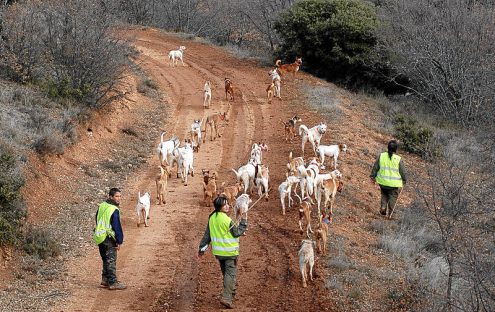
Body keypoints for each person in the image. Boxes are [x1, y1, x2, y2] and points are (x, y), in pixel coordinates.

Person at [198, 196, 247, 309]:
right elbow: (237, 232)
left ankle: (232, 291)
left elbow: (207, 236)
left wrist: (201, 250)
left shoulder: (212, 218)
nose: (228, 206)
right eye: (225, 204)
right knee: (230, 274)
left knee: (227, 274)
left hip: (219, 253)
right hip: (229, 252)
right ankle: (226, 298)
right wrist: (243, 221)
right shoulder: (227, 220)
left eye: (228, 204)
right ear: (220, 206)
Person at [93, 188, 126, 290]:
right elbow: (117, 227)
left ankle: (105, 280)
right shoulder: (113, 209)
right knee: (111, 259)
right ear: (110, 197)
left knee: (105, 259)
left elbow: (97, 217)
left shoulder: (102, 205)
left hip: (99, 236)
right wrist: (119, 241)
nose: (119, 198)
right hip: (108, 237)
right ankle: (112, 282)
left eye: (120, 196)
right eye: (116, 196)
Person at [370, 140, 407, 217]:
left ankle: (383, 207)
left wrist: (373, 176)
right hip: (394, 184)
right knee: (392, 197)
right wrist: (404, 180)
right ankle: (390, 214)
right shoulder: (398, 159)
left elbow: (376, 167)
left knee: (384, 194)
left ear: (388, 147)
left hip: (383, 182)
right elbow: (403, 172)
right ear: (396, 149)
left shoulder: (382, 156)